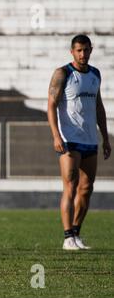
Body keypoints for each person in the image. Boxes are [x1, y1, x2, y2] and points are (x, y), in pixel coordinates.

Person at [47, 34, 111, 250]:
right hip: (69, 139)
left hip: (90, 139)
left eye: (86, 50)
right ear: (72, 52)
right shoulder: (62, 73)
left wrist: (105, 137)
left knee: (86, 188)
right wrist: (56, 135)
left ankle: (76, 233)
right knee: (71, 186)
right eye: (79, 50)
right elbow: (51, 105)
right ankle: (67, 238)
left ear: (91, 50)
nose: (83, 54)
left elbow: (99, 107)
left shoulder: (95, 74)